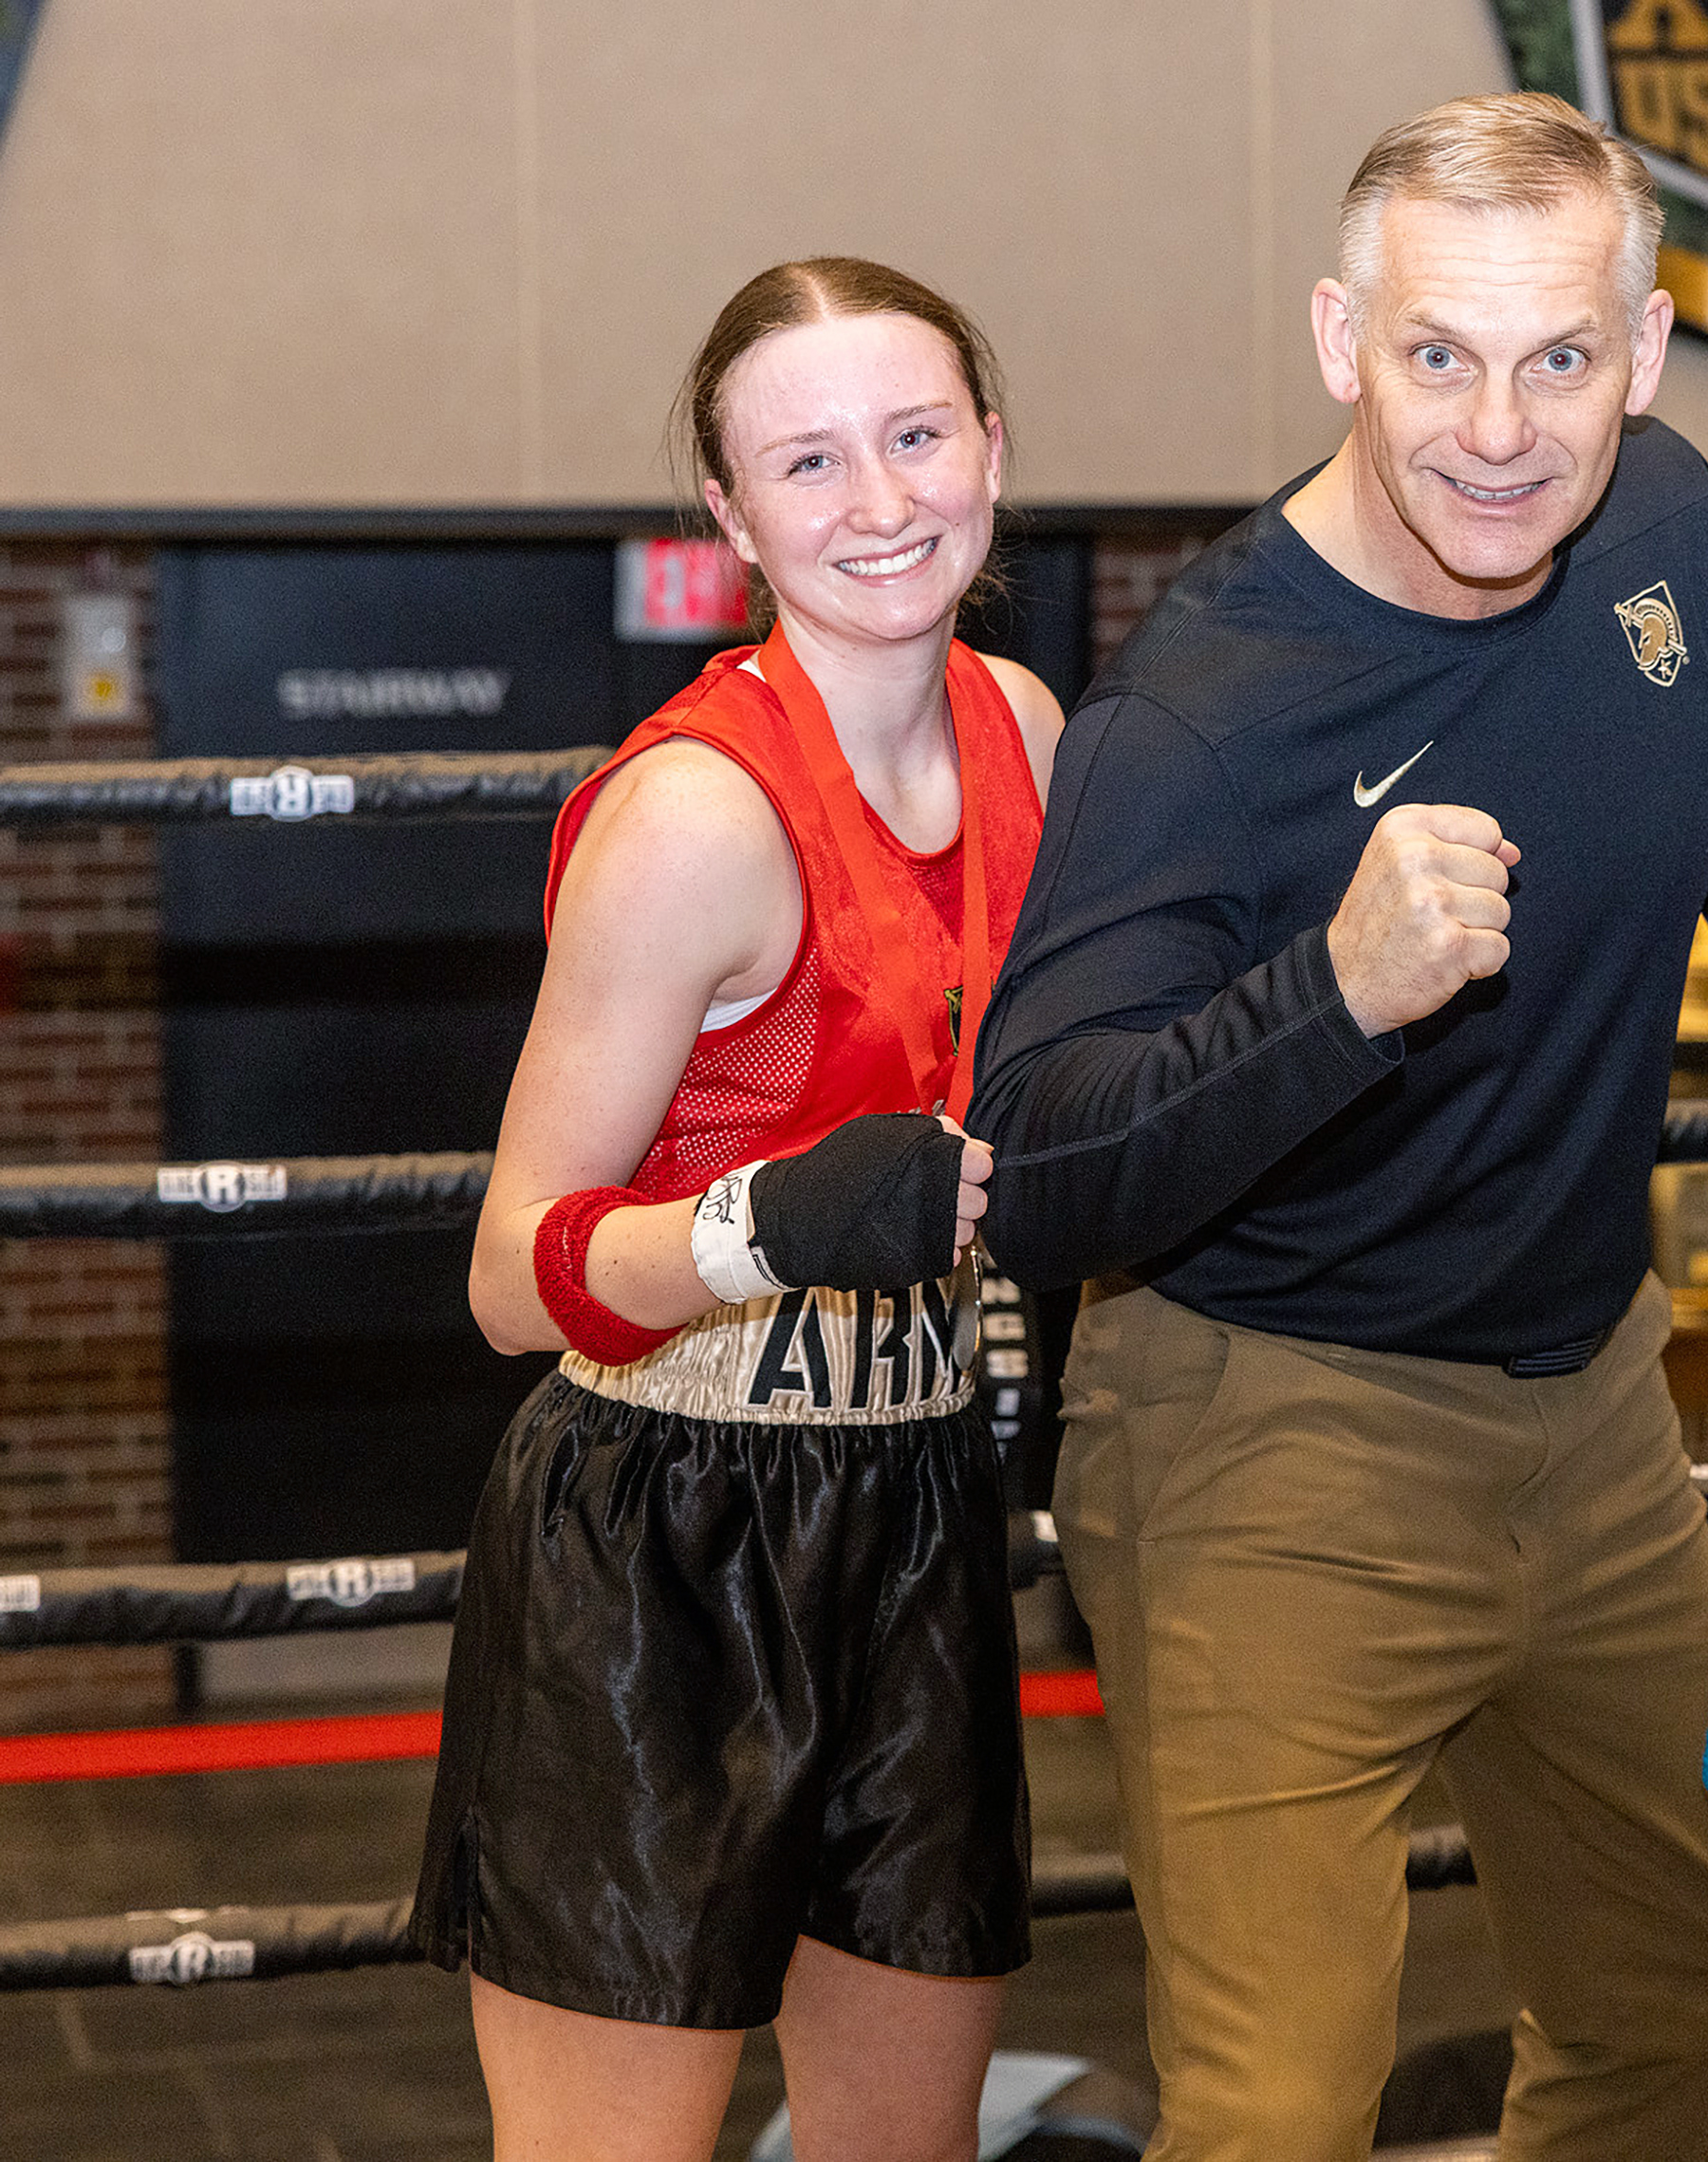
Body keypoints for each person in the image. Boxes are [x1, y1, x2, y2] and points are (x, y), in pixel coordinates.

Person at [965, 92, 1708, 2162]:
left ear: (1641, 355)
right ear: (1342, 341)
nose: (1500, 427)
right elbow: (1042, 1159)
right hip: (1271, 1428)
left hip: (1600, 1404)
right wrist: (1328, 995)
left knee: (1685, 2005)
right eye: (1440, 353)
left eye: (1561, 358)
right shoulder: (1203, 706)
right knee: (1277, 2109)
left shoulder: (1667, 526)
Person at [412, 257, 1066, 2162]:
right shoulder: (694, 817)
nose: (879, 501)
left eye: (918, 434)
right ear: (728, 514)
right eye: (808, 459)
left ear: (993, 448)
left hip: (922, 1492)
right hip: (660, 1540)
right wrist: (759, 1226)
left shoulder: (1023, 724)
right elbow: (509, 1274)